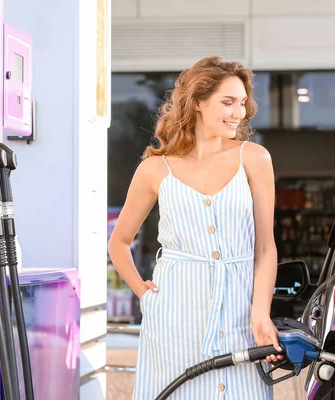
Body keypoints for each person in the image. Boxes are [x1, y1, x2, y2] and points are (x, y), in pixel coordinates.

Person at [108, 56, 282, 399]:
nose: (239, 113)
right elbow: (119, 241)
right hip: (174, 320)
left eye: (243, 103)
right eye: (228, 102)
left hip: (239, 315)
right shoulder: (156, 170)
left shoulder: (254, 158)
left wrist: (260, 312)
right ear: (198, 102)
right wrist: (145, 296)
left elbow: (264, 248)